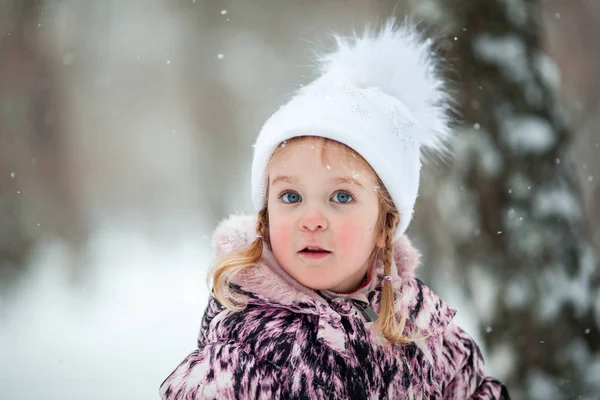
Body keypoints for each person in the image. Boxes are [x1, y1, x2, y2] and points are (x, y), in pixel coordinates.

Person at [159, 18, 511, 399]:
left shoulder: (426, 332)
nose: (311, 220)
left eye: (341, 197)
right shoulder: (243, 356)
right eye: (291, 197)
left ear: (384, 225)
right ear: (265, 216)